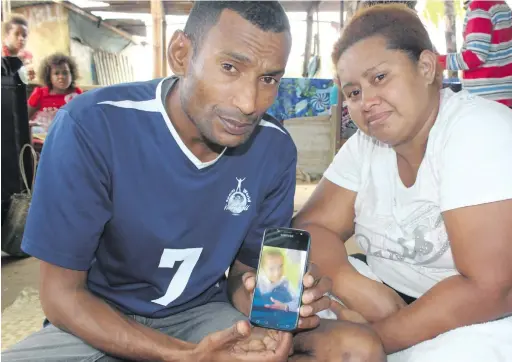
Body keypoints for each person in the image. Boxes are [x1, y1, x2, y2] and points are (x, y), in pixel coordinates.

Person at [1, 2, 384, 362]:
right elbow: (60, 296)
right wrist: (179, 356)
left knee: (353, 346)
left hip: (202, 315)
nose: (249, 102)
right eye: (230, 67)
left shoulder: (274, 148)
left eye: (268, 78)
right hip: (94, 320)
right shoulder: (91, 126)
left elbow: (242, 276)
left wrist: (278, 311)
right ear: (181, 53)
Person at [294, 4, 512, 362]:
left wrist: (370, 338)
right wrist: (348, 281)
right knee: (293, 299)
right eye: (353, 92)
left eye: (379, 78)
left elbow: (496, 288)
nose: (367, 102)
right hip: (398, 294)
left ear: (426, 67)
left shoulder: (479, 131)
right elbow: (312, 226)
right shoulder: (366, 146)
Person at [28, 53, 83, 140]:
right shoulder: (40, 94)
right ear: (49, 77)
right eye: (56, 73)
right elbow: (25, 118)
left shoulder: (76, 95)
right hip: (43, 140)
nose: (61, 77)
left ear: (72, 75)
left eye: (65, 73)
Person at [2, 14, 34, 81]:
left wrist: (29, 77)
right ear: (7, 35)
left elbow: (27, 79)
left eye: (24, 35)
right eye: (16, 34)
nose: (21, 38)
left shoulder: (27, 56)